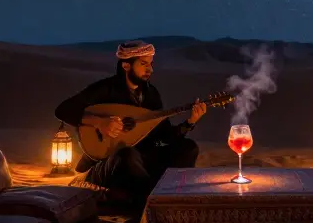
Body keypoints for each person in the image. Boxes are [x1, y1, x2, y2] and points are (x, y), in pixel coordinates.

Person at [54, 40, 205, 204]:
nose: (150, 69)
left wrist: (190, 122)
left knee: (188, 147)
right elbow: (63, 109)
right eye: (143, 64)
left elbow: (164, 136)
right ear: (126, 66)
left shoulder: (151, 94)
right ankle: (148, 200)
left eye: (151, 64)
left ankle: (164, 194)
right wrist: (99, 123)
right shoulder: (106, 89)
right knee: (127, 154)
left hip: (142, 160)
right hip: (109, 163)